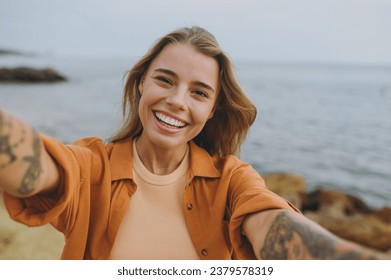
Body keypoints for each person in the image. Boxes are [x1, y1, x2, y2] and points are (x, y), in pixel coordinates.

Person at [0, 26, 387, 260]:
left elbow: (273, 224)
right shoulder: (92, 167)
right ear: (141, 84)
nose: (177, 101)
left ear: (213, 108)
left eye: (199, 92)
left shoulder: (232, 181)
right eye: (165, 80)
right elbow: (37, 165)